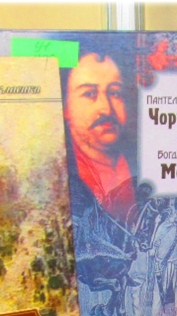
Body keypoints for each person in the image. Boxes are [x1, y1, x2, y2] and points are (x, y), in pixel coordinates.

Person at [64, 51, 136, 222]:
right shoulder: (59, 176)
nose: (106, 109)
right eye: (90, 94)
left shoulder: (142, 161)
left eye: (115, 93)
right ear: (66, 107)